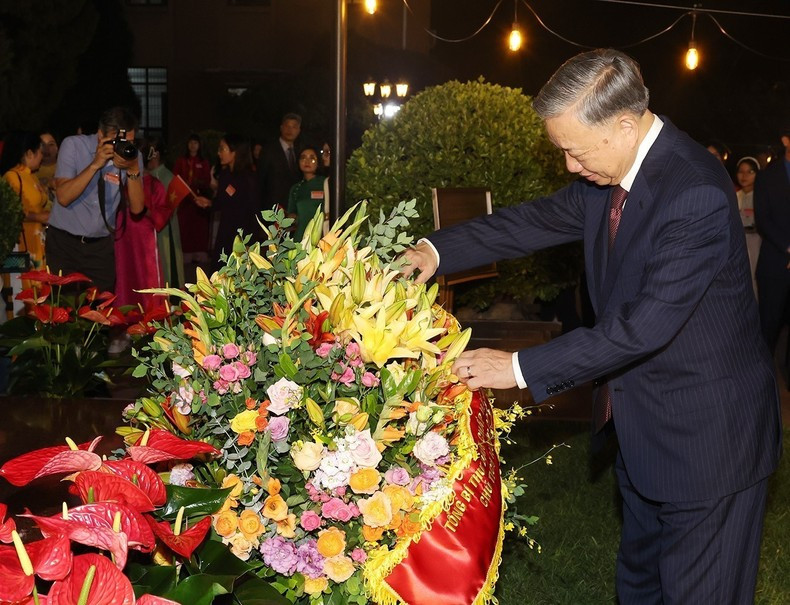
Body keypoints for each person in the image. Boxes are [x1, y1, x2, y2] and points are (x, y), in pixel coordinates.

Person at [403, 49, 782, 604]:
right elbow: (533, 220)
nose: (569, 166)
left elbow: (641, 329)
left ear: (625, 125)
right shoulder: (609, 175)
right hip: (643, 428)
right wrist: (437, 250)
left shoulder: (694, 192)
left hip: (707, 445)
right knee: (640, 586)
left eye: (574, 151)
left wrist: (516, 367)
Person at [48, 107, 144, 293]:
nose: (123, 147)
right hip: (64, 244)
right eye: (118, 141)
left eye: (129, 142)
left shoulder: (133, 156)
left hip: (100, 247)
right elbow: (64, 197)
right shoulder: (74, 145)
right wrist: (95, 165)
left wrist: (132, 170)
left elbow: (138, 208)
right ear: (100, 135)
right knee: (62, 310)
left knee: (101, 310)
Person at [754, 131, 790, 362]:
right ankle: (761, 379)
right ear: (786, 140)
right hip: (776, 263)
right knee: (769, 326)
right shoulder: (767, 177)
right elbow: (763, 220)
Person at [114, 171, 171, 309]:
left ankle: (152, 320)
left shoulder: (153, 184)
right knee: (123, 277)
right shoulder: (116, 179)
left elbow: (162, 214)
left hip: (145, 240)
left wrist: (142, 208)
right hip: (122, 239)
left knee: (146, 279)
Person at [211, 134, 261, 272]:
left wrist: (249, 244)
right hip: (224, 233)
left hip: (241, 238)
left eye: (222, 149)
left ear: (235, 151)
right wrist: (208, 203)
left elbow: (254, 211)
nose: (219, 153)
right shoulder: (225, 174)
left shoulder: (248, 178)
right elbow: (221, 202)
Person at [140, 137, 184, 289]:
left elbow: (169, 211)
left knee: (167, 269)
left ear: (156, 154)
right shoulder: (148, 176)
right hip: (151, 232)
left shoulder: (165, 177)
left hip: (165, 233)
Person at [173, 134, 212, 266]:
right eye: (191, 143)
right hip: (184, 200)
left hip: (199, 199)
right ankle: (185, 254)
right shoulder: (181, 160)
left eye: (195, 143)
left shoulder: (204, 161)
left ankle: (199, 254)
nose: (193, 145)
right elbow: (176, 177)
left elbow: (207, 180)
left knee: (199, 227)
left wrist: (197, 182)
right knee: (184, 226)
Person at [257, 112, 302, 211]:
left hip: (294, 208)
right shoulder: (269, 150)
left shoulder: (300, 152)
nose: (290, 130)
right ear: (281, 128)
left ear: (299, 130)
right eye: (287, 126)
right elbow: (260, 181)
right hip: (273, 208)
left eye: (294, 127)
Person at [286, 145, 328, 241]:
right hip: (300, 238)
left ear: (318, 162)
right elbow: (291, 213)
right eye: (303, 158)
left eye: (312, 158)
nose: (307, 161)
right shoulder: (296, 188)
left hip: (322, 237)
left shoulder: (326, 183)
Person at [735, 156, 761, 296]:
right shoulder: (733, 195)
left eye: (750, 172)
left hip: (755, 243)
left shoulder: (761, 197)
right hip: (736, 243)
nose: (744, 176)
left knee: (753, 279)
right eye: (741, 171)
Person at [37, 131, 59, 206]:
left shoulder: (66, 167)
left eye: (51, 144)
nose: (46, 148)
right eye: (42, 145)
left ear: (57, 148)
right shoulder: (30, 170)